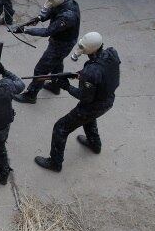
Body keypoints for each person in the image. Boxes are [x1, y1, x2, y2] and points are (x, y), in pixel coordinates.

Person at [34, 32, 120, 172]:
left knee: (60, 128)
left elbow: (84, 97)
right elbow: (103, 73)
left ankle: (55, 163)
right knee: (88, 119)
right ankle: (94, 144)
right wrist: (80, 74)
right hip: (108, 99)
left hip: (93, 104)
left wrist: (66, 86)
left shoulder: (91, 72)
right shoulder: (111, 54)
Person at [13, 0, 81, 104]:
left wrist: (25, 30)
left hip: (61, 44)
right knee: (57, 63)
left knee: (41, 70)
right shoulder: (64, 0)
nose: (49, 2)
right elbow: (53, 10)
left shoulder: (67, 16)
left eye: (51, 0)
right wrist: (40, 17)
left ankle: (31, 95)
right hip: (62, 41)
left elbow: (47, 31)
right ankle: (56, 85)